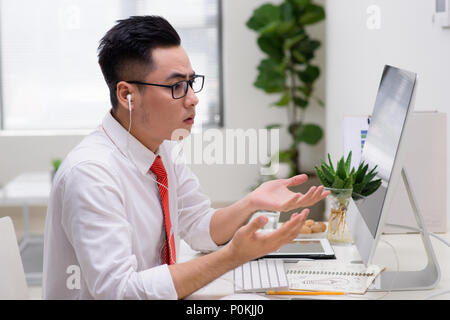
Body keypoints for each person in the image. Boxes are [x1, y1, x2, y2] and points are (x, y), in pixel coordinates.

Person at [42, 15, 329, 300]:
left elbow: (199, 227)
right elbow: (121, 292)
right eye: (176, 86)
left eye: (191, 83)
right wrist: (231, 257)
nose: (193, 98)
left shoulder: (164, 148)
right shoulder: (91, 174)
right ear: (127, 95)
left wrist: (252, 201)